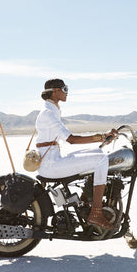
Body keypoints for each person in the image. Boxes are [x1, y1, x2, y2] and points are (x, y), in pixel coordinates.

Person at [35, 78, 117, 230]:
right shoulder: (48, 113)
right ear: (55, 92)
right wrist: (100, 136)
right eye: (64, 89)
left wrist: (102, 140)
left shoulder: (52, 111)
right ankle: (96, 212)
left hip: (53, 160)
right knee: (101, 160)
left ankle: (86, 203)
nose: (67, 92)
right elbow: (71, 139)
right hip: (51, 165)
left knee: (98, 152)